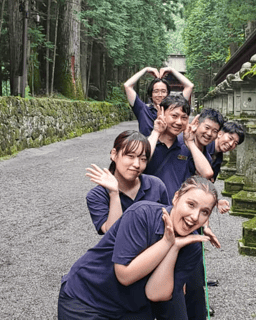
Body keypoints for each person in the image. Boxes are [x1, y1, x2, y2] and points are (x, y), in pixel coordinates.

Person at [58, 176, 218, 320]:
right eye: (191, 204)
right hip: (87, 299)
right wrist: (166, 243)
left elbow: (155, 293)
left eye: (204, 212)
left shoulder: (192, 247)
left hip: (130, 308)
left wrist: (174, 248)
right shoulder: (142, 214)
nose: (195, 217)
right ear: (176, 198)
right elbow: (124, 275)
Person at [85, 130, 169, 235]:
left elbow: (167, 224)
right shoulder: (96, 195)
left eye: (143, 159)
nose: (137, 164)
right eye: (130, 156)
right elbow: (112, 234)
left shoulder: (156, 185)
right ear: (114, 154)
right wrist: (114, 194)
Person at [124, 66, 194, 137]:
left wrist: (171, 70)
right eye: (156, 91)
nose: (160, 95)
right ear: (151, 94)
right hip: (148, 147)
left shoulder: (174, 109)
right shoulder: (143, 110)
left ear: (168, 93)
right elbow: (127, 86)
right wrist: (145, 70)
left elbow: (189, 86)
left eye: (163, 91)